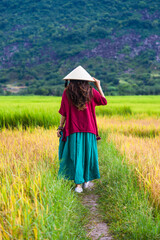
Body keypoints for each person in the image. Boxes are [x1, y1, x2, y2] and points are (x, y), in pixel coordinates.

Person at [57, 66, 107, 193]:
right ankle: (86, 181)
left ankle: (78, 185)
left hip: (73, 129)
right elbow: (104, 101)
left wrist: (60, 127)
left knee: (76, 154)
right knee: (87, 154)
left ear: (71, 80)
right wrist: (98, 85)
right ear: (86, 80)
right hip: (89, 129)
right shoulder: (91, 91)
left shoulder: (67, 92)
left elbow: (63, 113)